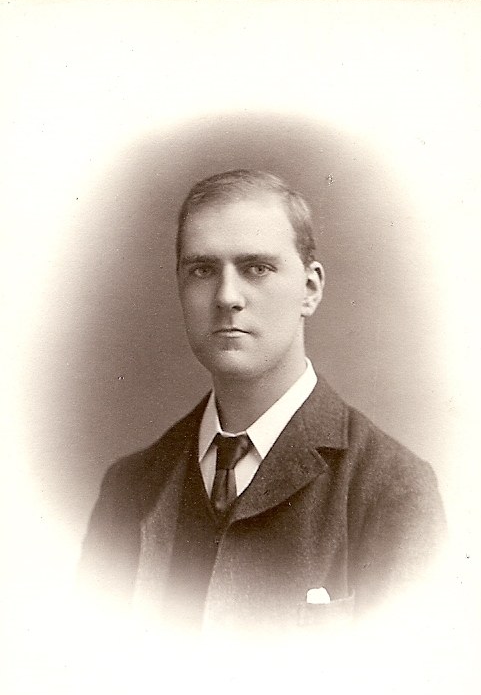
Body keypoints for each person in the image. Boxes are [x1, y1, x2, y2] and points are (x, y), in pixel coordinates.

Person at [78, 169, 446, 637]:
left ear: (310, 289)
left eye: (257, 268)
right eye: (202, 270)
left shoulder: (392, 490)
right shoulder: (129, 488)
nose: (227, 297)